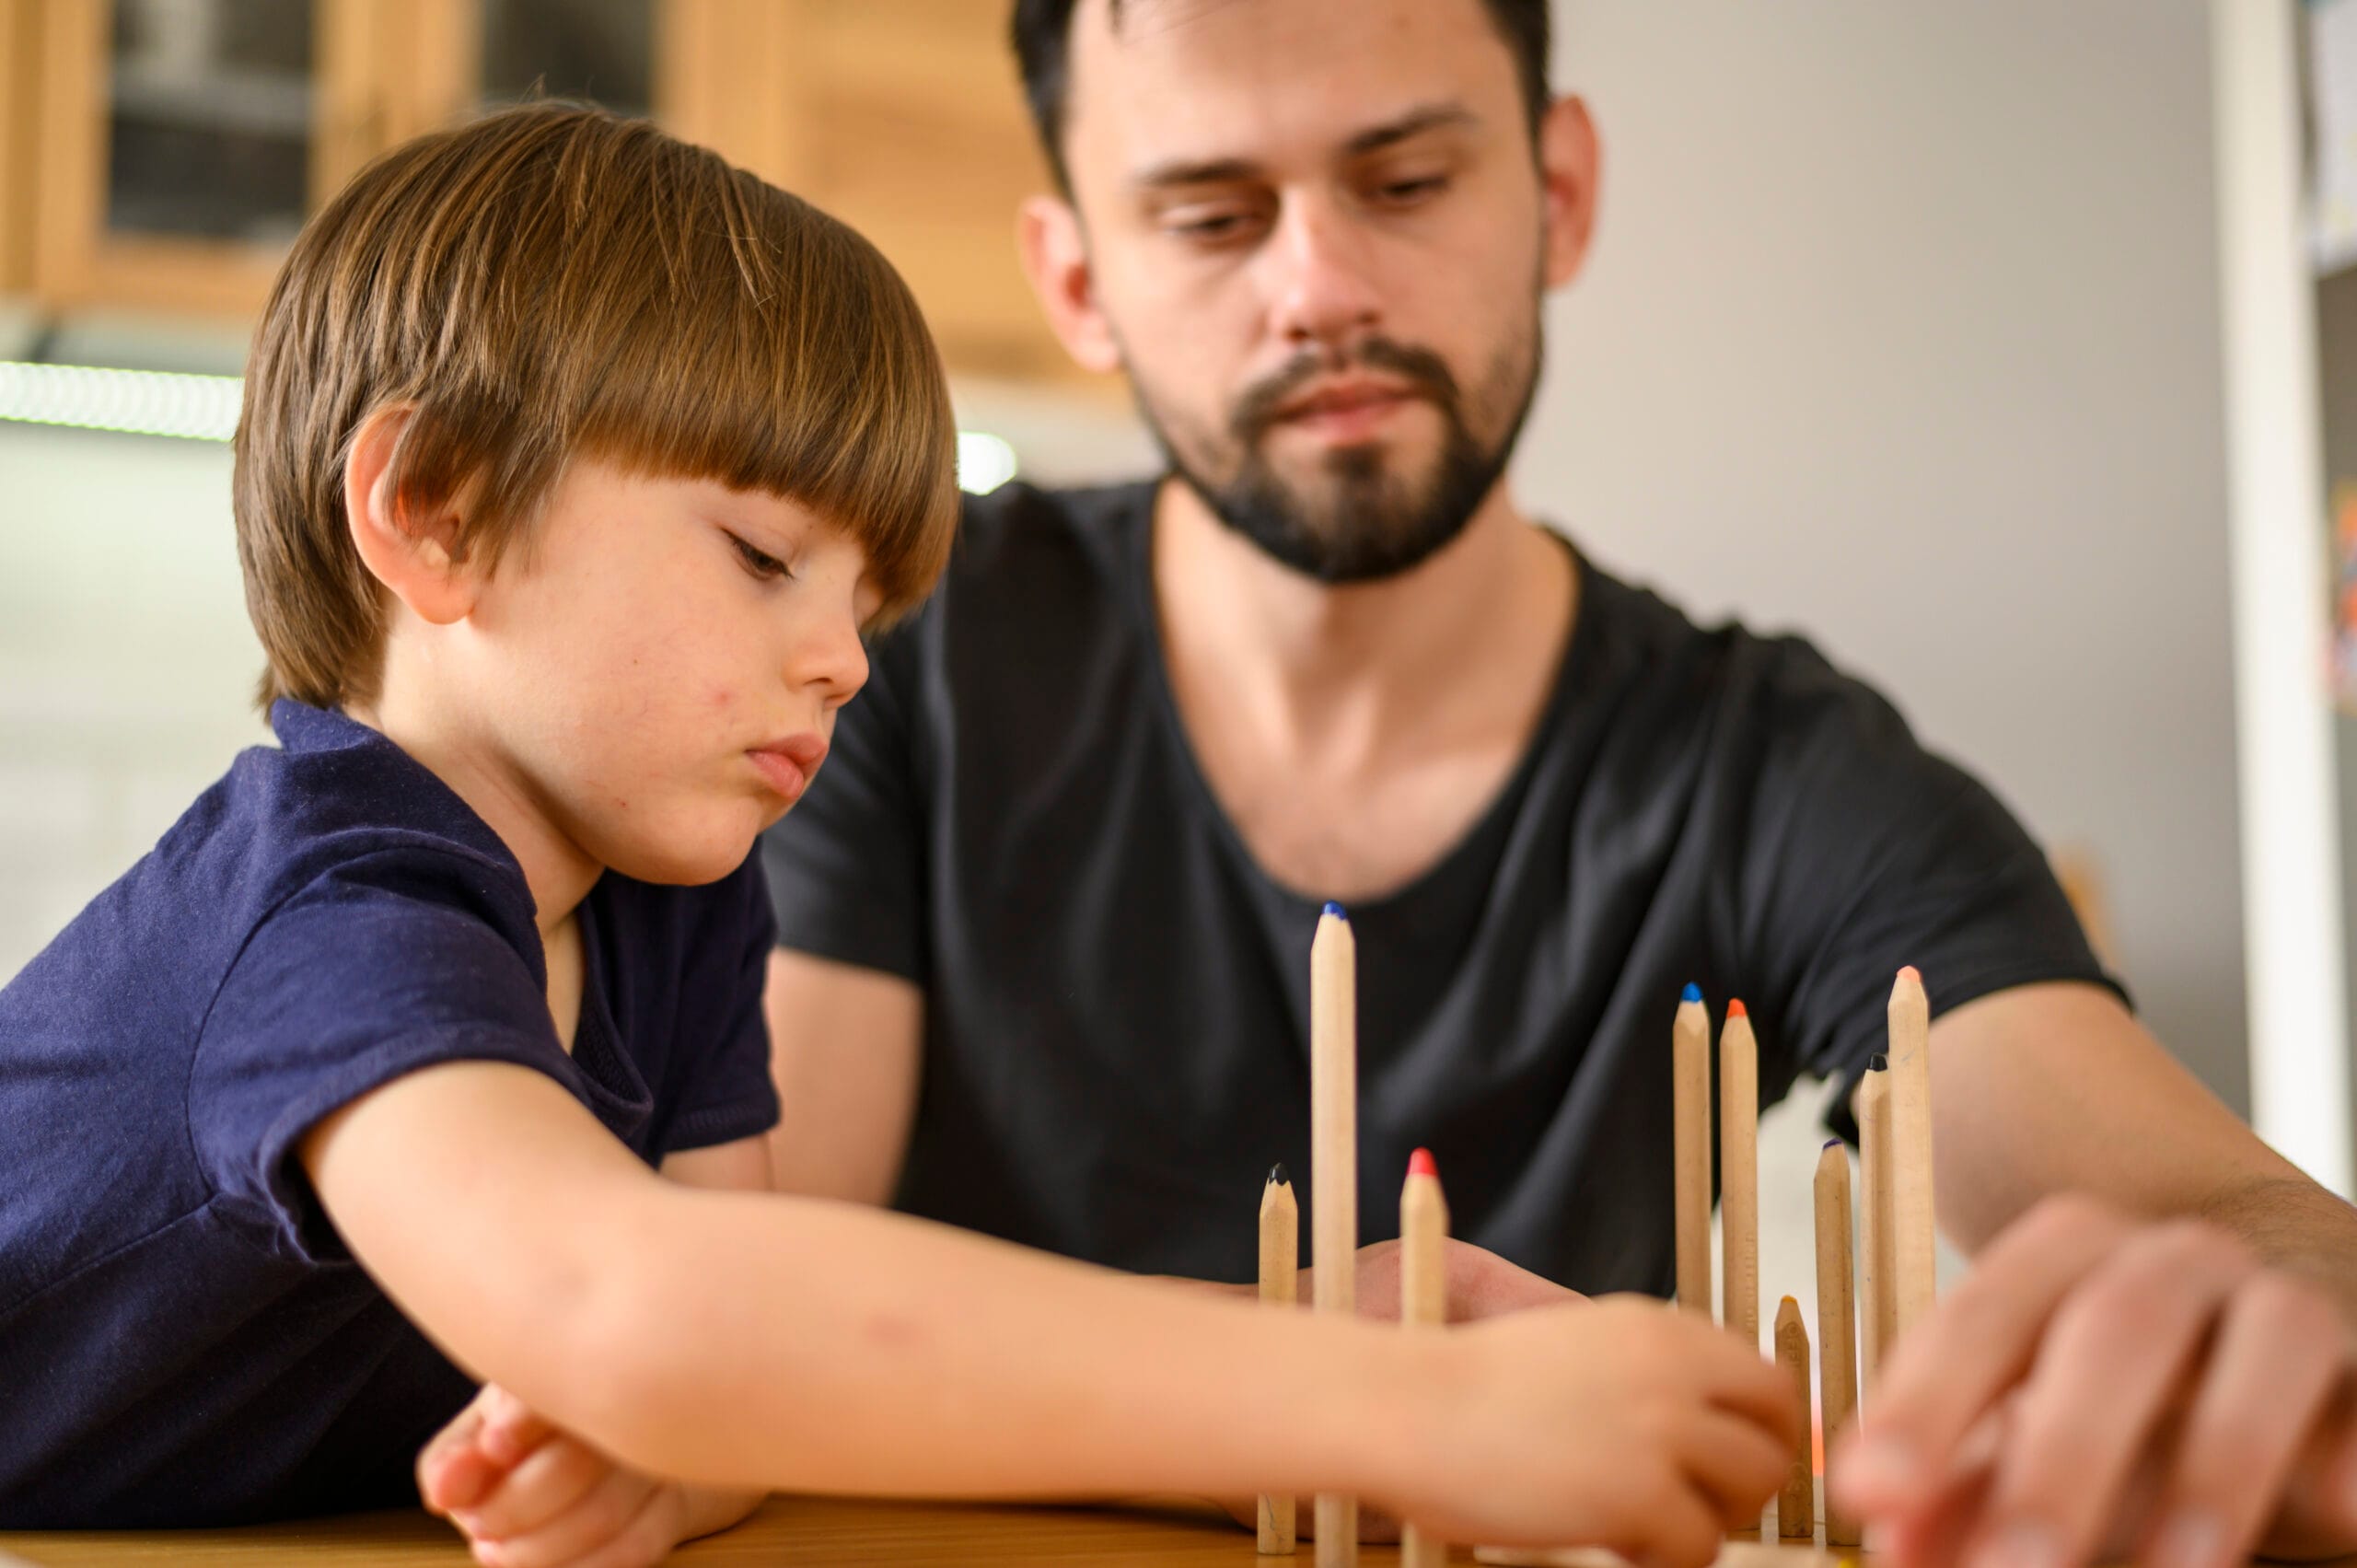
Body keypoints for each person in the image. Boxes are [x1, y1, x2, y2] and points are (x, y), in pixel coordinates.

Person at [0, 100, 1802, 1568]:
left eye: (866, 597)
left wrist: (680, 1460)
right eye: (764, 557)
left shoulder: (665, 906)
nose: (846, 657)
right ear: (435, 510)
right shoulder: (328, 916)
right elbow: (637, 1308)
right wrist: (1400, 1415)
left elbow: (725, 1366)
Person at [757, 4, 2357, 1565]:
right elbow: (749, 1290)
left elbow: (2223, 1211)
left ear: (1560, 194)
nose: (1318, 286)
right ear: (1079, 279)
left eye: (1406, 183)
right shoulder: (876, 659)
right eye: (1212, 215)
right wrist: (1324, 1388)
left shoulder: (1767, 766)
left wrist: (2269, 1310)